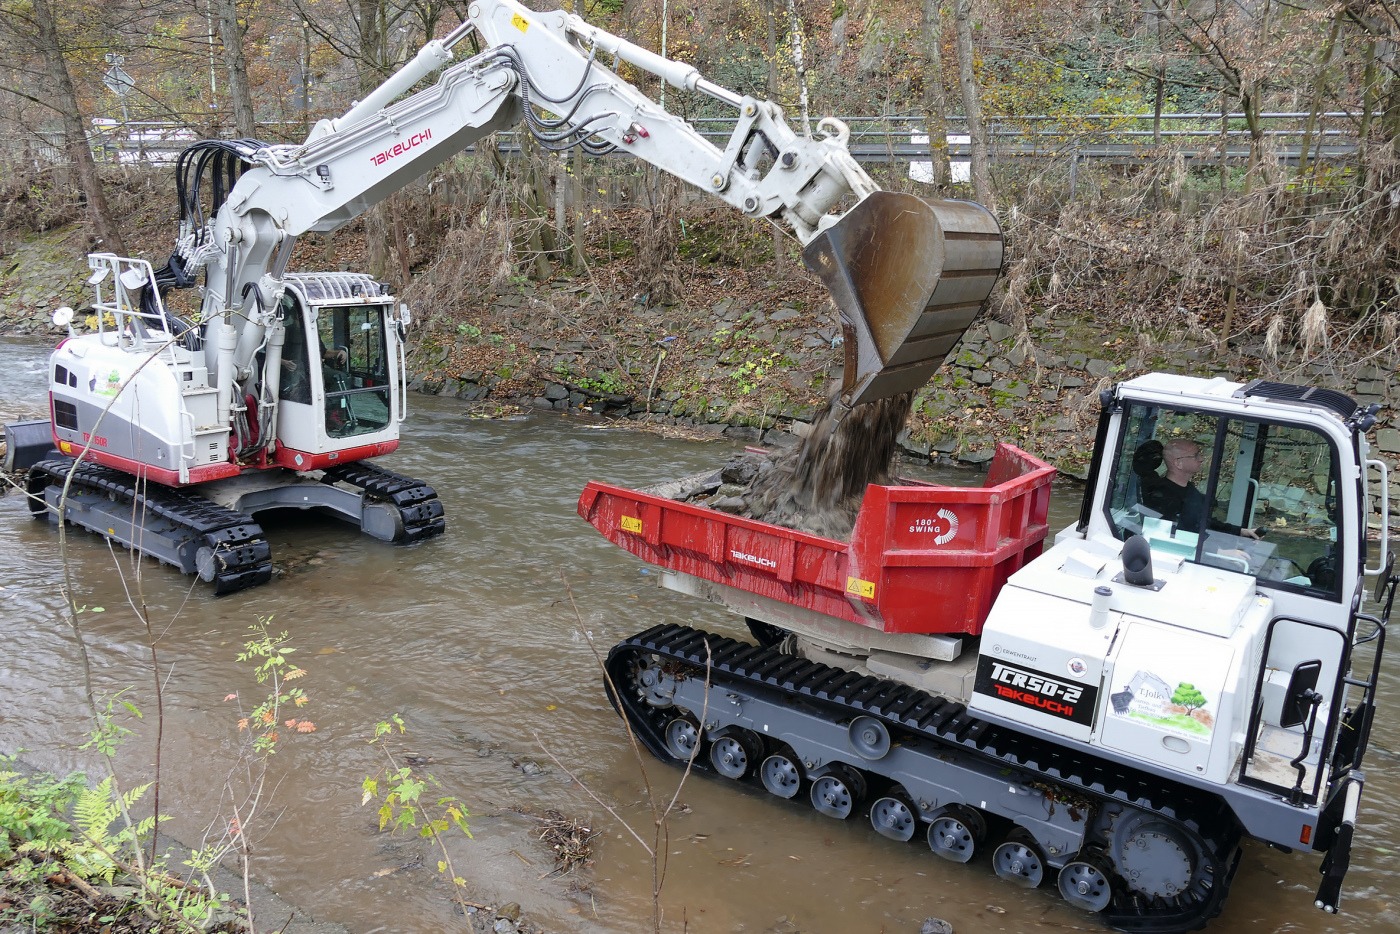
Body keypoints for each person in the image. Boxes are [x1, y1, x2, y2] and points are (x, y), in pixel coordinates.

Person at [1141, 438, 1260, 539]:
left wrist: (1241, 531)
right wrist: (1216, 552)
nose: (1201, 458)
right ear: (1178, 463)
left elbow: (1204, 521)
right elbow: (1174, 535)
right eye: (1195, 455)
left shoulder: (1188, 489)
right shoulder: (1163, 496)